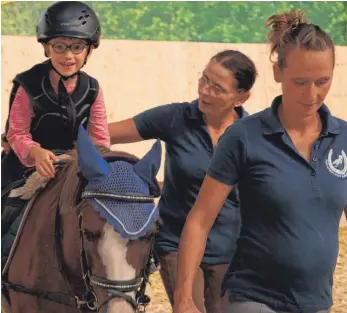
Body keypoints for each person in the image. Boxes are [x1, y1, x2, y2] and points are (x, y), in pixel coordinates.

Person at [173, 9, 347, 313]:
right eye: (300, 81)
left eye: (323, 81)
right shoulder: (243, 137)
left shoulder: (343, 137)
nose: (313, 94)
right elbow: (200, 219)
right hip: (252, 297)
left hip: (316, 302)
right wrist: (184, 297)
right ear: (278, 72)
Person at [107, 50, 257, 313]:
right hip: (176, 244)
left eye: (218, 88)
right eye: (204, 79)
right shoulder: (174, 118)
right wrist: (29, 139)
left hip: (231, 251)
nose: (205, 91)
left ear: (240, 97)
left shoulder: (253, 134)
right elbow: (103, 133)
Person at [1, 1, 110, 269]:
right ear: (46, 46)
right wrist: (35, 152)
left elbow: (100, 139)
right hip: (23, 169)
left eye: (77, 47)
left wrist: (88, 161)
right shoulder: (27, 84)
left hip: (72, 168)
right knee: (6, 215)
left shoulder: (93, 89)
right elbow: (16, 133)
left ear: (89, 50)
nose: (68, 56)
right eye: (59, 46)